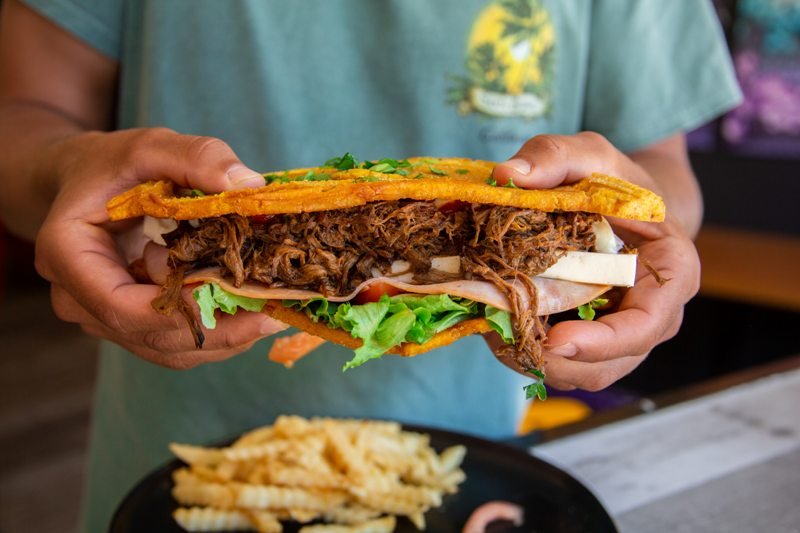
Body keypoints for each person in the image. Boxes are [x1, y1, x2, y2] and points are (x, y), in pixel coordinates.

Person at [0, 0, 740, 530]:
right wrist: (61, 170)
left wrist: (647, 218)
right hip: (186, 463)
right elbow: (23, 111)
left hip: (476, 472)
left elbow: (662, 170)